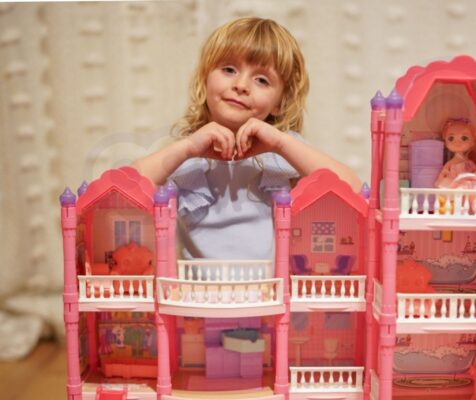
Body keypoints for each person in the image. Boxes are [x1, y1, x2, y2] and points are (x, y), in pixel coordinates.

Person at [133, 17, 361, 260]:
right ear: (205, 79)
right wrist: (187, 148)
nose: (241, 85)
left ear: (280, 103)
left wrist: (281, 144)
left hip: (269, 284)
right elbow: (122, 190)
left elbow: (354, 191)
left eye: (262, 80)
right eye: (229, 70)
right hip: (197, 285)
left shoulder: (283, 151)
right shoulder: (187, 153)